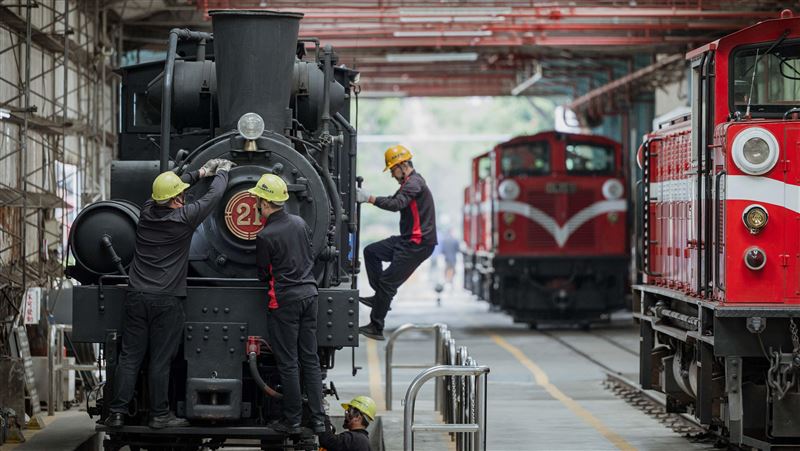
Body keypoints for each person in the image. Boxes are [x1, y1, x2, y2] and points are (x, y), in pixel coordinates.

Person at [105, 158, 233, 429]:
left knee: (130, 357)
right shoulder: (183, 219)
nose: (184, 199)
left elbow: (172, 189)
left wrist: (198, 173)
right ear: (176, 200)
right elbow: (214, 197)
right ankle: (159, 415)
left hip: (137, 295)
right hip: (166, 300)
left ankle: (116, 413)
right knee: (160, 361)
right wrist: (221, 173)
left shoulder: (147, 211)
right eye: (181, 196)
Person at [250, 173, 326, 435]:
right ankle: (318, 419)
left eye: (258, 200)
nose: (257, 205)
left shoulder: (265, 235)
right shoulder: (300, 223)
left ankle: (292, 420)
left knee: (288, 362)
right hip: (310, 295)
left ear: (264, 202)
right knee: (311, 359)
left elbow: (263, 274)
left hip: (285, 300)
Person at [356, 145, 437, 340]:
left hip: (418, 244)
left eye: (393, 170)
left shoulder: (414, 183)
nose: (392, 174)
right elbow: (395, 199)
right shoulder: (409, 184)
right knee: (371, 251)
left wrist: (369, 198)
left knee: (388, 283)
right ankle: (380, 298)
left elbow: (395, 204)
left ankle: (376, 327)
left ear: (403, 165)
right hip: (407, 240)